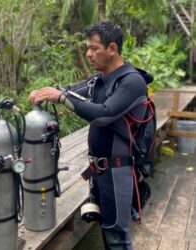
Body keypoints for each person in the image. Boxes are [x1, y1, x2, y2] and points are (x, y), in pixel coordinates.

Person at [29, 21, 153, 250]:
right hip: (100, 172)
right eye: (88, 48)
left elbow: (104, 115)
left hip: (118, 172)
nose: (88, 54)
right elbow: (70, 91)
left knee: (118, 237)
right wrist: (46, 92)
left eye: (94, 48)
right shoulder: (99, 78)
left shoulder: (131, 81)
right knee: (108, 232)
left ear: (112, 48)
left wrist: (60, 96)